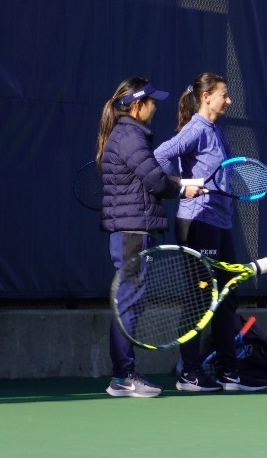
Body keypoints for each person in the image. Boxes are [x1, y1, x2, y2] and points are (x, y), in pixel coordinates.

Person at [155, 72, 266, 393]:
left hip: (219, 224)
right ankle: (189, 373)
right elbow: (161, 155)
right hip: (197, 224)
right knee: (199, 298)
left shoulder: (215, 130)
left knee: (228, 296)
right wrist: (180, 186)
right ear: (206, 98)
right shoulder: (195, 130)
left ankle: (230, 371)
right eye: (224, 94)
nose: (228, 100)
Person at [97, 77, 191, 398]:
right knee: (129, 302)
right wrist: (181, 187)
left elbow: (149, 177)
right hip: (133, 231)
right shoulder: (130, 137)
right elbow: (155, 180)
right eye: (151, 102)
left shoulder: (126, 135)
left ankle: (123, 375)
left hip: (133, 228)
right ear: (137, 105)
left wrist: (174, 182)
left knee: (129, 300)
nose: (155, 107)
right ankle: (123, 377)